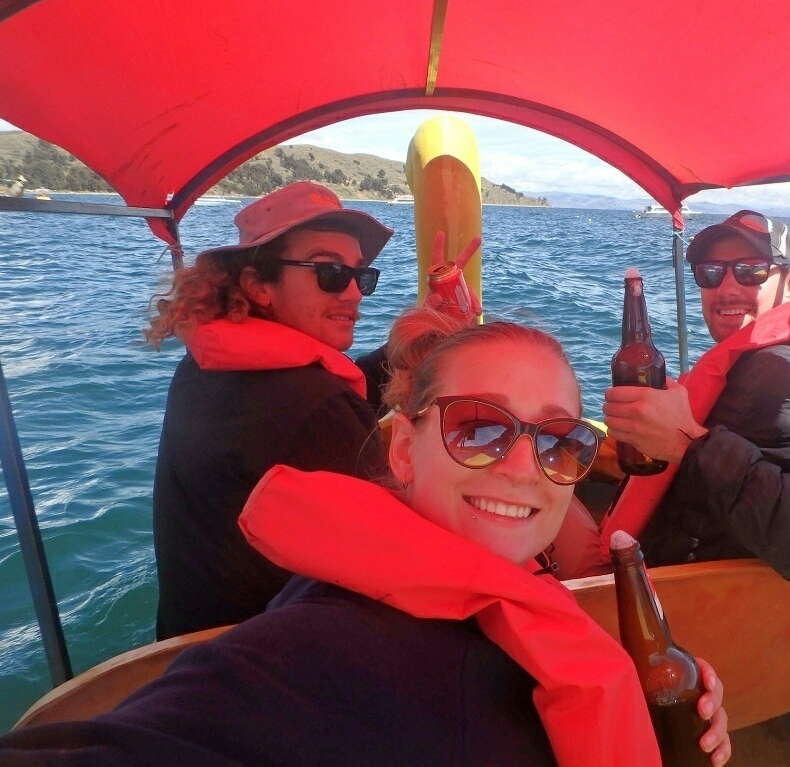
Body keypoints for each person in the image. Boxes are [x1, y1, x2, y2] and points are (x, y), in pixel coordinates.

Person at [0, 311, 732, 767]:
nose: (521, 468)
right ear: (403, 451)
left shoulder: (507, 608)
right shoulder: (320, 652)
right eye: (478, 427)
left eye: (559, 442)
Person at [562, 209, 790, 607]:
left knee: (531, 500)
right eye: (711, 273)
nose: (727, 288)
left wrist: (688, 445)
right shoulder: (752, 366)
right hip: (676, 566)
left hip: (679, 606)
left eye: (751, 270)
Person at [145, 180, 399, 640]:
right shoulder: (312, 410)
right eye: (330, 273)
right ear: (258, 284)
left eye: (361, 276)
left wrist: (403, 351)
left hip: (184, 654)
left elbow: (321, 399)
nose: (355, 294)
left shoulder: (207, 366)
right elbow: (394, 563)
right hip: (269, 673)